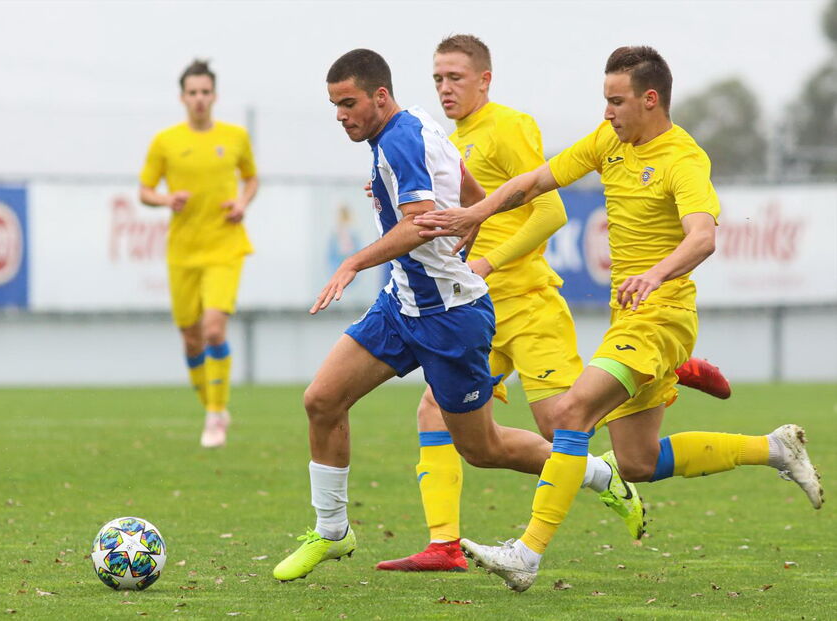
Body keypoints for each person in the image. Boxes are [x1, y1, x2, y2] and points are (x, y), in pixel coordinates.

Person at [414, 45, 824, 592]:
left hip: (661, 318)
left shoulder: (683, 159)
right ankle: (774, 448)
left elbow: (703, 237)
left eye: (616, 101)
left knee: (571, 415)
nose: (606, 112)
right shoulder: (609, 140)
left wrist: (655, 274)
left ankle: (526, 554)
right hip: (628, 318)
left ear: (650, 99)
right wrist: (476, 212)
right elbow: (535, 183)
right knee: (636, 462)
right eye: (605, 101)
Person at [377, 35, 734, 574]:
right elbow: (509, 190)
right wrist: (443, 208)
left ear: (484, 79)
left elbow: (552, 212)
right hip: (480, 307)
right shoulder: (458, 140)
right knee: (448, 418)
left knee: (563, 423)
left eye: (455, 77)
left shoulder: (513, 126)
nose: (444, 88)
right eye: (437, 79)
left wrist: (488, 259)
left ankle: (661, 378)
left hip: (536, 304)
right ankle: (445, 544)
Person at [272, 48, 626, 583]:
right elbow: (470, 190)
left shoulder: (400, 140)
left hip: (450, 318)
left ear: (380, 97)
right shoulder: (418, 122)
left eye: (348, 104)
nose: (341, 116)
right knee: (322, 399)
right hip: (402, 305)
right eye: (334, 106)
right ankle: (332, 531)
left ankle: (598, 473)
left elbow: (417, 225)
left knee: (482, 448)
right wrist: (469, 225)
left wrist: (353, 262)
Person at [139, 59, 259, 448]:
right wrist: (166, 199)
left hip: (225, 246)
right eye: (192, 92)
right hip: (183, 252)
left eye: (205, 92)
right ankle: (214, 407)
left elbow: (251, 178)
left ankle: (215, 415)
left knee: (213, 330)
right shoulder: (166, 141)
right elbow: (144, 191)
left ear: (215, 96)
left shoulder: (235, 137)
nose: (199, 99)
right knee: (191, 340)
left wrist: (242, 202)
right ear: (182, 97)